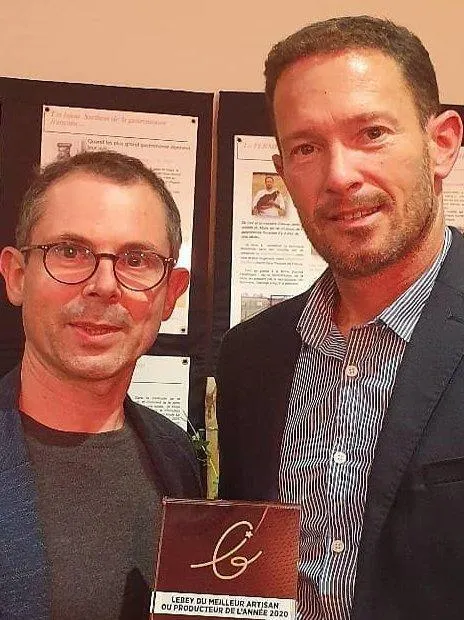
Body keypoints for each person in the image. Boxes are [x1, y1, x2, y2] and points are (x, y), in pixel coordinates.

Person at [216, 16, 464, 620]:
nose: (338, 176)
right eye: (306, 148)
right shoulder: (250, 357)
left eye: (371, 133)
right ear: (282, 169)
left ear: (441, 144)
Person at [0, 150, 202, 619]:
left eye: (136, 259)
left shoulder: (176, 456)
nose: (105, 285)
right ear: (17, 276)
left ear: (170, 294)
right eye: (70, 252)